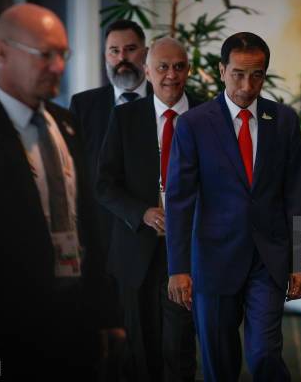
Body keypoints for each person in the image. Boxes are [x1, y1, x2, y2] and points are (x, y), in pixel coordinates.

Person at [0, 3, 122, 380]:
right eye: (45, 54)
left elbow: (87, 223)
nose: (58, 66)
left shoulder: (67, 123)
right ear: (2, 52)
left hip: (74, 328)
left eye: (63, 54)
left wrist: (105, 316)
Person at [165, 32, 301, 381]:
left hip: (268, 258)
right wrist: (178, 267)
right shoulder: (194, 124)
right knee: (219, 363)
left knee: (264, 354)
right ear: (221, 70)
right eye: (238, 74)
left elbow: (297, 194)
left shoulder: (285, 120)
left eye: (257, 74)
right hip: (213, 260)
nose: (247, 85)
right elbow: (179, 199)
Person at [97, 37, 198, 382]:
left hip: (187, 250)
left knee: (179, 345)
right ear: (147, 72)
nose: (172, 75)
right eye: (163, 67)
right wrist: (143, 212)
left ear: (189, 69)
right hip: (135, 247)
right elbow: (105, 184)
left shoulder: (207, 115)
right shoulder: (125, 117)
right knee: (140, 349)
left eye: (179, 66)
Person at [69, 19, 152, 258]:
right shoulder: (83, 105)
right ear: (105, 56)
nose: (122, 58)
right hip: (99, 233)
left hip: (154, 232)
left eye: (130, 49)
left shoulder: (167, 102)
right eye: (114, 51)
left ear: (145, 54)